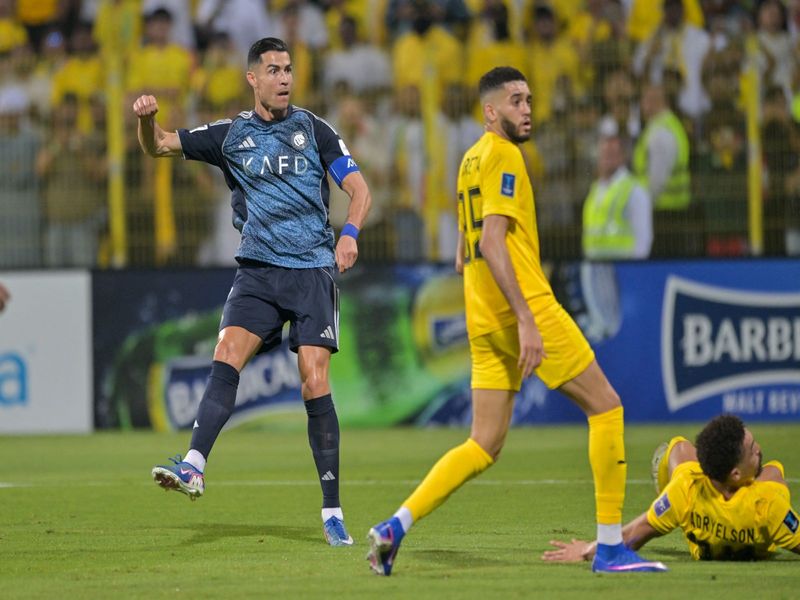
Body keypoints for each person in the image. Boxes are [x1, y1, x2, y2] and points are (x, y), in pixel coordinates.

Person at [366, 66, 667, 576]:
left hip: (483, 318)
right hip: (525, 308)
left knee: (483, 443)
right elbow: (491, 240)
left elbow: (466, 246)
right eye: (515, 101)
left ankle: (396, 525)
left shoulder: (470, 159)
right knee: (606, 408)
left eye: (528, 99)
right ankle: (611, 548)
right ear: (490, 111)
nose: (526, 109)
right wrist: (527, 319)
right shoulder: (505, 155)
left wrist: (473, 261)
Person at [133, 37, 371, 547]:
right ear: (253, 79)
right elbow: (159, 145)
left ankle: (332, 511)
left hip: (311, 270)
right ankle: (194, 465)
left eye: (288, 69)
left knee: (313, 381)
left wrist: (349, 233)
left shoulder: (314, 129)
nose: (284, 78)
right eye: (274, 70)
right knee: (226, 353)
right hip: (258, 272)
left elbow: (359, 188)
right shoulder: (230, 136)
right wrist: (146, 121)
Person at [543, 414, 800, 562]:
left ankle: (666, 489)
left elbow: (631, 534)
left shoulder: (686, 489)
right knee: (774, 469)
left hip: (693, 508)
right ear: (735, 474)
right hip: (758, 521)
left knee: (679, 447)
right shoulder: (769, 502)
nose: (759, 449)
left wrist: (586, 551)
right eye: (753, 449)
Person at [582, 133, 652, 260]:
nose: (606, 158)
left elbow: (643, 239)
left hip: (622, 266)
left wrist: (634, 268)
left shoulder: (634, 190)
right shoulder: (596, 189)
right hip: (594, 265)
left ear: (622, 157)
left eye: (611, 154)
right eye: (603, 154)